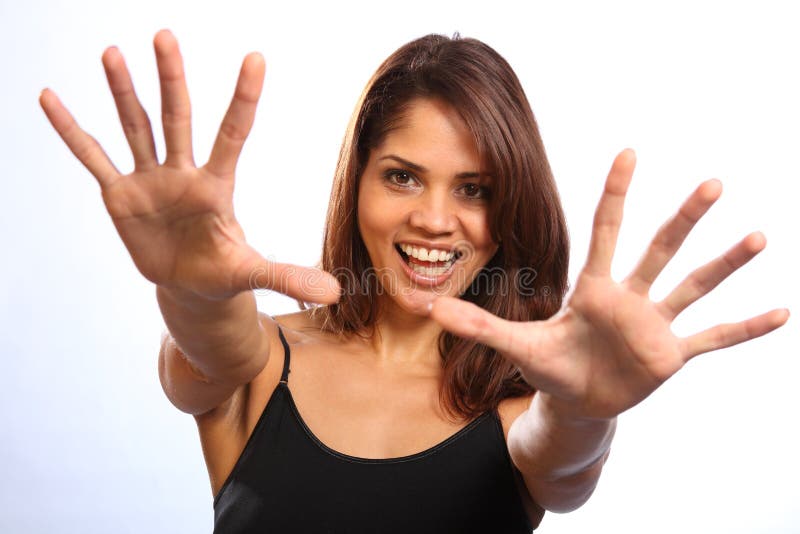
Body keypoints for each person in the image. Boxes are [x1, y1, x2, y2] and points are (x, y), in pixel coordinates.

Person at [39, 29, 789, 533]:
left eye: (475, 189)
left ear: (512, 208)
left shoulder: (528, 403)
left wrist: (588, 413)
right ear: (357, 183)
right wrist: (192, 289)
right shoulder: (263, 364)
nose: (435, 219)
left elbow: (562, 468)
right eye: (402, 177)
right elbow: (208, 348)